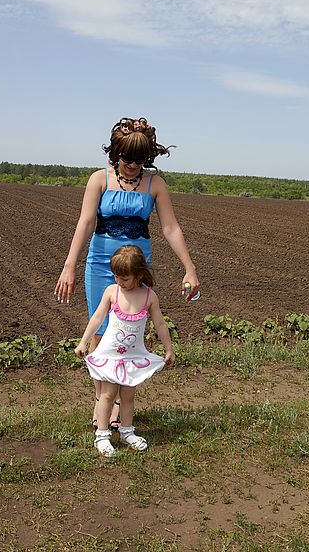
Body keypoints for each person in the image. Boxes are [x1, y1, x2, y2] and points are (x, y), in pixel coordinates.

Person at [54, 117, 199, 428]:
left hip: (137, 269)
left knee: (129, 336)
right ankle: (103, 402)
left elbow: (170, 227)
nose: (134, 165)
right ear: (115, 153)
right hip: (101, 266)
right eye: (128, 158)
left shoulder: (155, 184)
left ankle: (121, 400)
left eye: (141, 159)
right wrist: (69, 266)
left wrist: (190, 267)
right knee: (102, 332)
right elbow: (86, 223)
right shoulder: (99, 180)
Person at [75, 245, 175, 457]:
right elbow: (97, 318)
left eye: (125, 278)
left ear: (139, 275)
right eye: (116, 277)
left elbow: (160, 324)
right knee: (108, 394)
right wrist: (83, 342)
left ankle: (127, 432)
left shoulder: (149, 297)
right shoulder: (112, 292)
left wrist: (169, 349)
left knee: (128, 396)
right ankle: (102, 436)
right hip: (112, 356)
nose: (119, 282)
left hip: (133, 356)